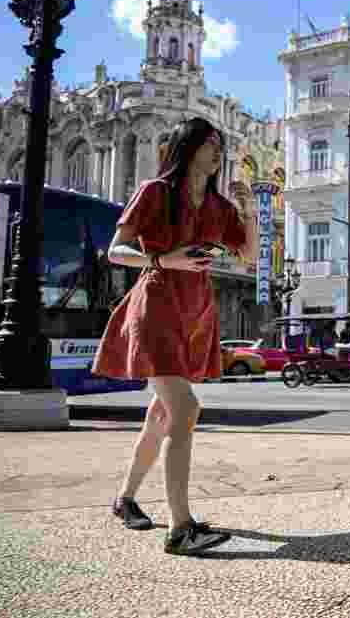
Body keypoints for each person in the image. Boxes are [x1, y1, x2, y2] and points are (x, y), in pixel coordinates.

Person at [94, 117, 254, 555]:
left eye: (221, 144)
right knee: (185, 408)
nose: (218, 151)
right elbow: (116, 251)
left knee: (161, 415)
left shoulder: (219, 206)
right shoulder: (156, 192)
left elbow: (248, 257)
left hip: (195, 314)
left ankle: (125, 498)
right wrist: (166, 260)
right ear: (188, 147)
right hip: (156, 305)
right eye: (209, 143)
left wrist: (249, 212)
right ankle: (181, 528)